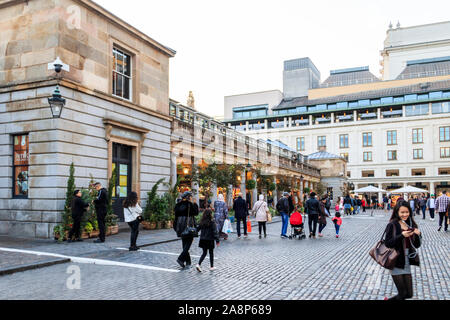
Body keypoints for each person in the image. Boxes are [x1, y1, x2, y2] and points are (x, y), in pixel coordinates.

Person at [384, 200, 422, 300]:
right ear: (397, 212)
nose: (405, 214)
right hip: (396, 260)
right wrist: (401, 236)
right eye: (402, 212)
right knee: (402, 293)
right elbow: (388, 243)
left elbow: (416, 245)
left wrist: (418, 235)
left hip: (407, 260)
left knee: (409, 294)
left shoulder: (411, 224)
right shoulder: (392, 224)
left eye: (407, 212)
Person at [174, 191, 199, 268]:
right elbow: (196, 213)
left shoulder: (178, 205)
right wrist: (194, 204)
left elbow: (175, 215)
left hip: (180, 225)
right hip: (188, 225)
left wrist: (175, 226)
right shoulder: (189, 205)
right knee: (189, 242)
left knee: (184, 242)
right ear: (188, 197)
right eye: (191, 196)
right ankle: (180, 259)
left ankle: (188, 261)